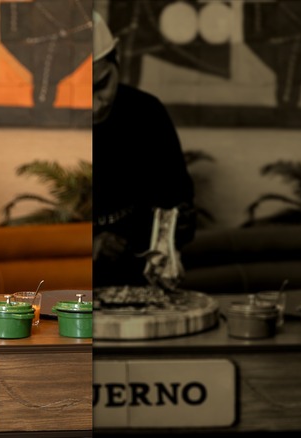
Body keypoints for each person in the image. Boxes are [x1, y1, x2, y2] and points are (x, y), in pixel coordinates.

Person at [91, 11, 197, 289]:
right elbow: (38, 228)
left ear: (118, 60)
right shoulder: (52, 128)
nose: (94, 104)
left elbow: (176, 197)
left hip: (139, 279)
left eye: (101, 85)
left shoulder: (147, 114)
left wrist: (178, 225)